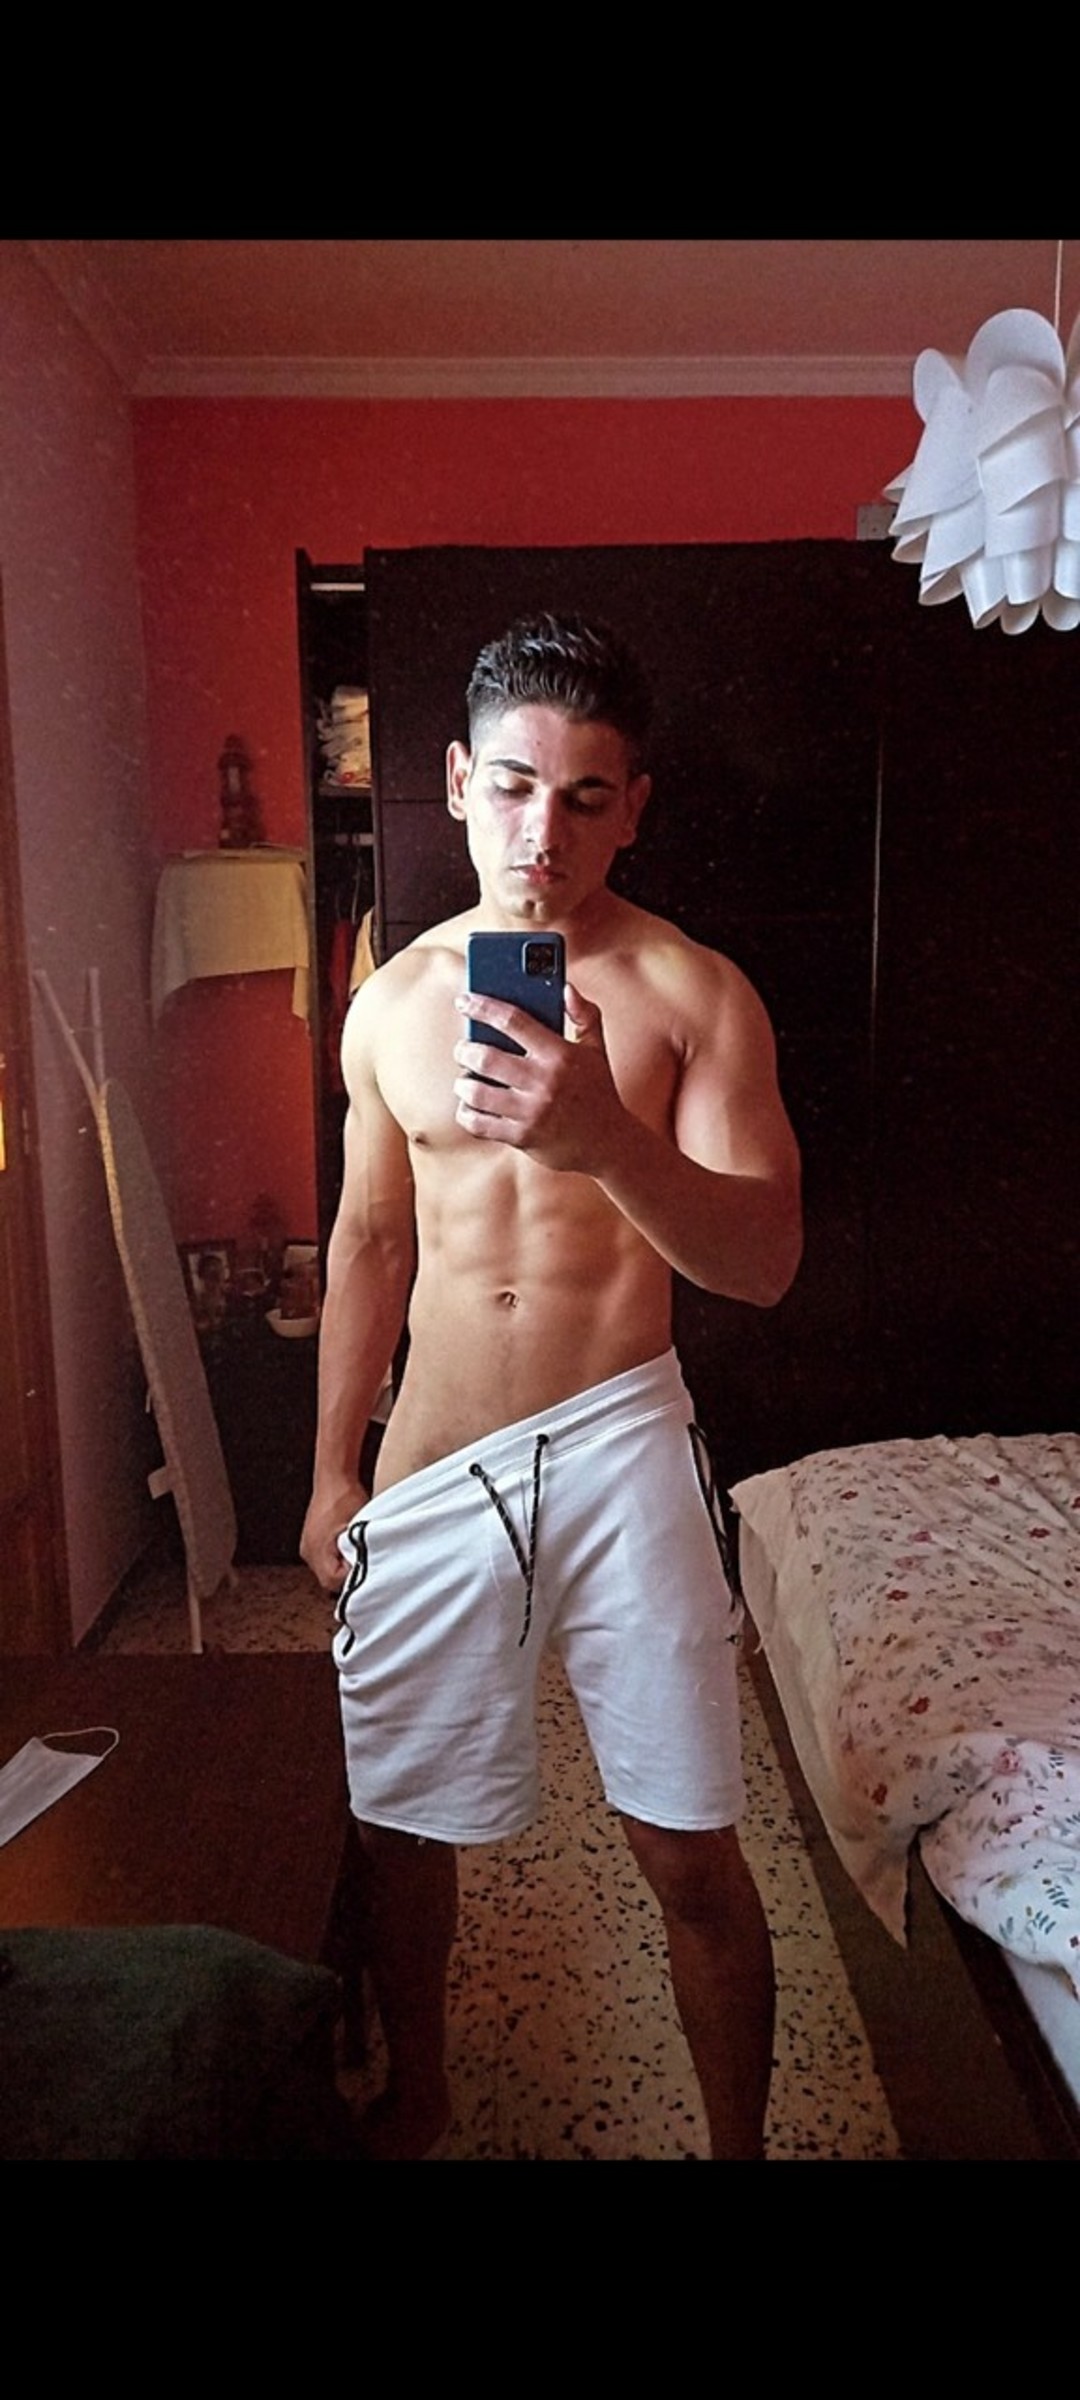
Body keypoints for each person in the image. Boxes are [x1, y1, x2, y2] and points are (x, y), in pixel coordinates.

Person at [300, 612, 803, 2160]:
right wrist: (331, 1473)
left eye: (586, 797)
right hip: (434, 1459)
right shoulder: (391, 1005)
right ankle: (425, 2099)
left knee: (691, 1847)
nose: (544, 832)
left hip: (619, 1441)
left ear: (631, 807)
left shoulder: (694, 994)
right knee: (401, 1826)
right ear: (458, 782)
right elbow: (372, 1243)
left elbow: (764, 1262)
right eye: (515, 787)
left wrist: (607, 1142)